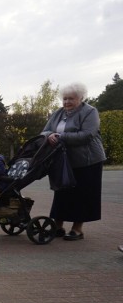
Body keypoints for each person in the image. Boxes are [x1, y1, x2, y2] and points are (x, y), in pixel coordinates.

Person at [43, 82, 106, 241]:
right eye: (64, 99)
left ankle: (77, 229)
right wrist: (49, 135)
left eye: (71, 99)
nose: (66, 102)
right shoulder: (58, 113)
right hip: (64, 160)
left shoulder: (90, 112)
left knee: (83, 194)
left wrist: (60, 137)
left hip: (88, 160)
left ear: (80, 98)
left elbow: (87, 135)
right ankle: (58, 226)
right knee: (62, 192)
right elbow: (45, 131)